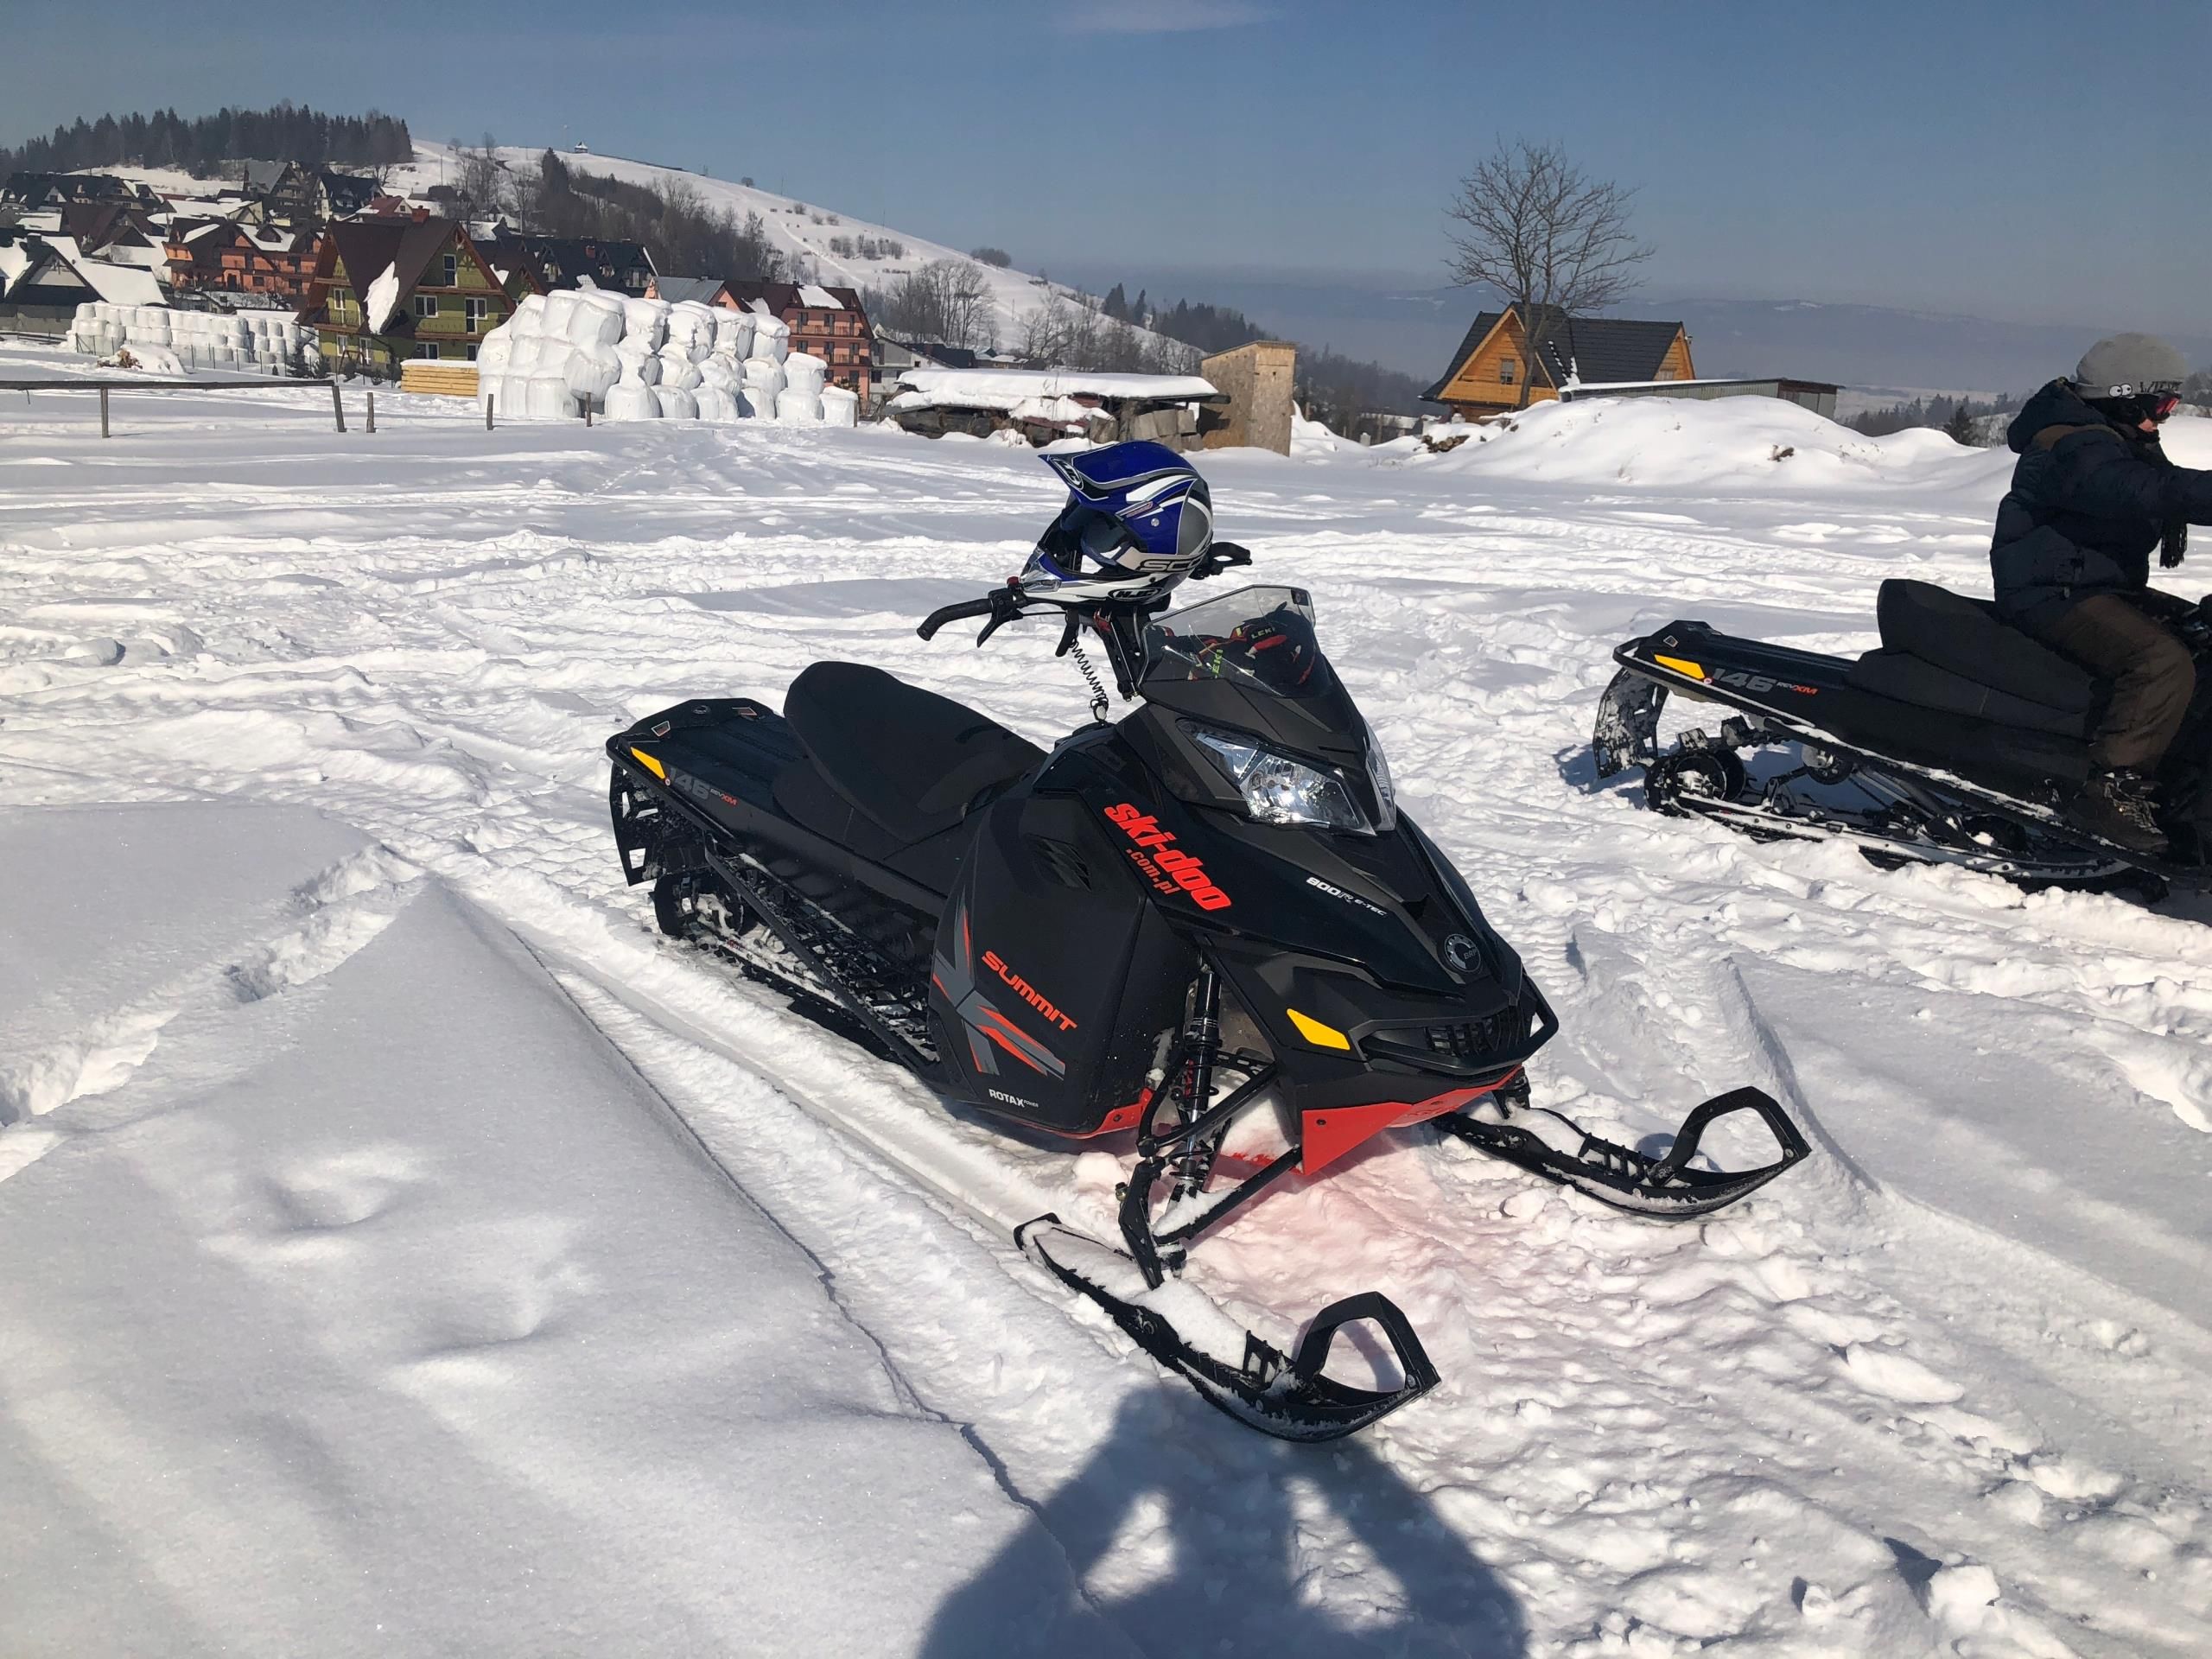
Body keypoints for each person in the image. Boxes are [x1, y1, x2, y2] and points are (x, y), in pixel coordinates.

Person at [1990, 333, 2212, 853]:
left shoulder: (2114, 434)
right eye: (2162, 403)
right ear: (2125, 395)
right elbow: (2142, 490)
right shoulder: (2071, 443)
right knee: (2162, 661)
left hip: (2099, 587)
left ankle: (2182, 778)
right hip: (2051, 593)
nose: (2166, 416)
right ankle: (2113, 789)